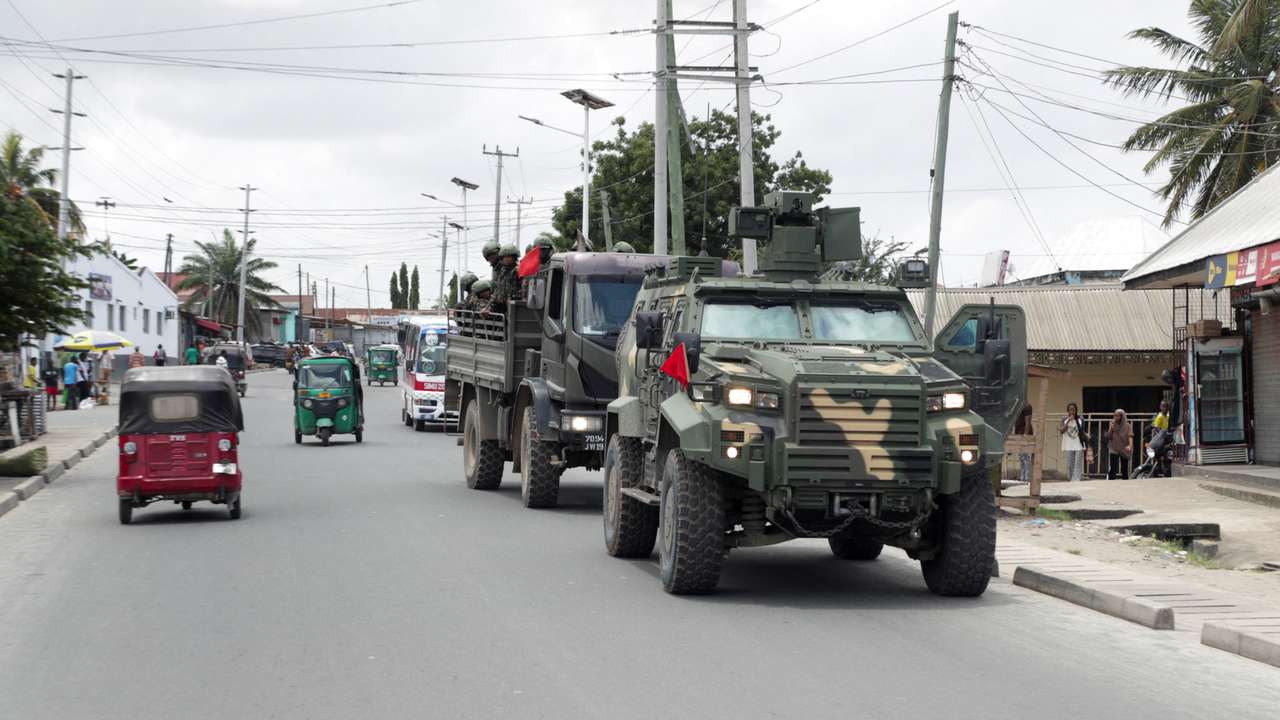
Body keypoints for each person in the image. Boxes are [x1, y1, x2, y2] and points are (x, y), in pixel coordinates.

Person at [1058, 402, 1087, 482]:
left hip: (1078, 444)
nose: (1072, 412)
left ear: (1076, 410)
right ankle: (1071, 479)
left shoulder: (1080, 419)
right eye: (1070, 410)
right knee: (1070, 464)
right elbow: (1061, 431)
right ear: (1067, 411)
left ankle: (1076, 480)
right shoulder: (1064, 419)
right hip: (1068, 444)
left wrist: (1086, 435)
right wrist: (1068, 422)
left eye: (1074, 410)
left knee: (1077, 463)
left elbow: (1082, 431)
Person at [1106, 408, 1133, 480]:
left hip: (1124, 448)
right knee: (1113, 467)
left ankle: (1125, 482)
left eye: (1118, 416)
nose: (1115, 417)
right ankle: (1111, 482)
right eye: (1114, 416)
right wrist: (1111, 428)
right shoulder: (1113, 424)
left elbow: (1130, 436)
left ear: (1122, 416)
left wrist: (1130, 446)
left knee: (1124, 468)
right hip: (1114, 448)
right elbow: (1109, 436)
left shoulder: (1127, 426)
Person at [1014, 404, 1034, 483]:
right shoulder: (1016, 405)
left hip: (1025, 434)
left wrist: (1025, 435)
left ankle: (1027, 478)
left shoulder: (1027, 406)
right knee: (1021, 457)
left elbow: (1028, 422)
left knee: (1026, 457)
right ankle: (1023, 478)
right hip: (1019, 433)